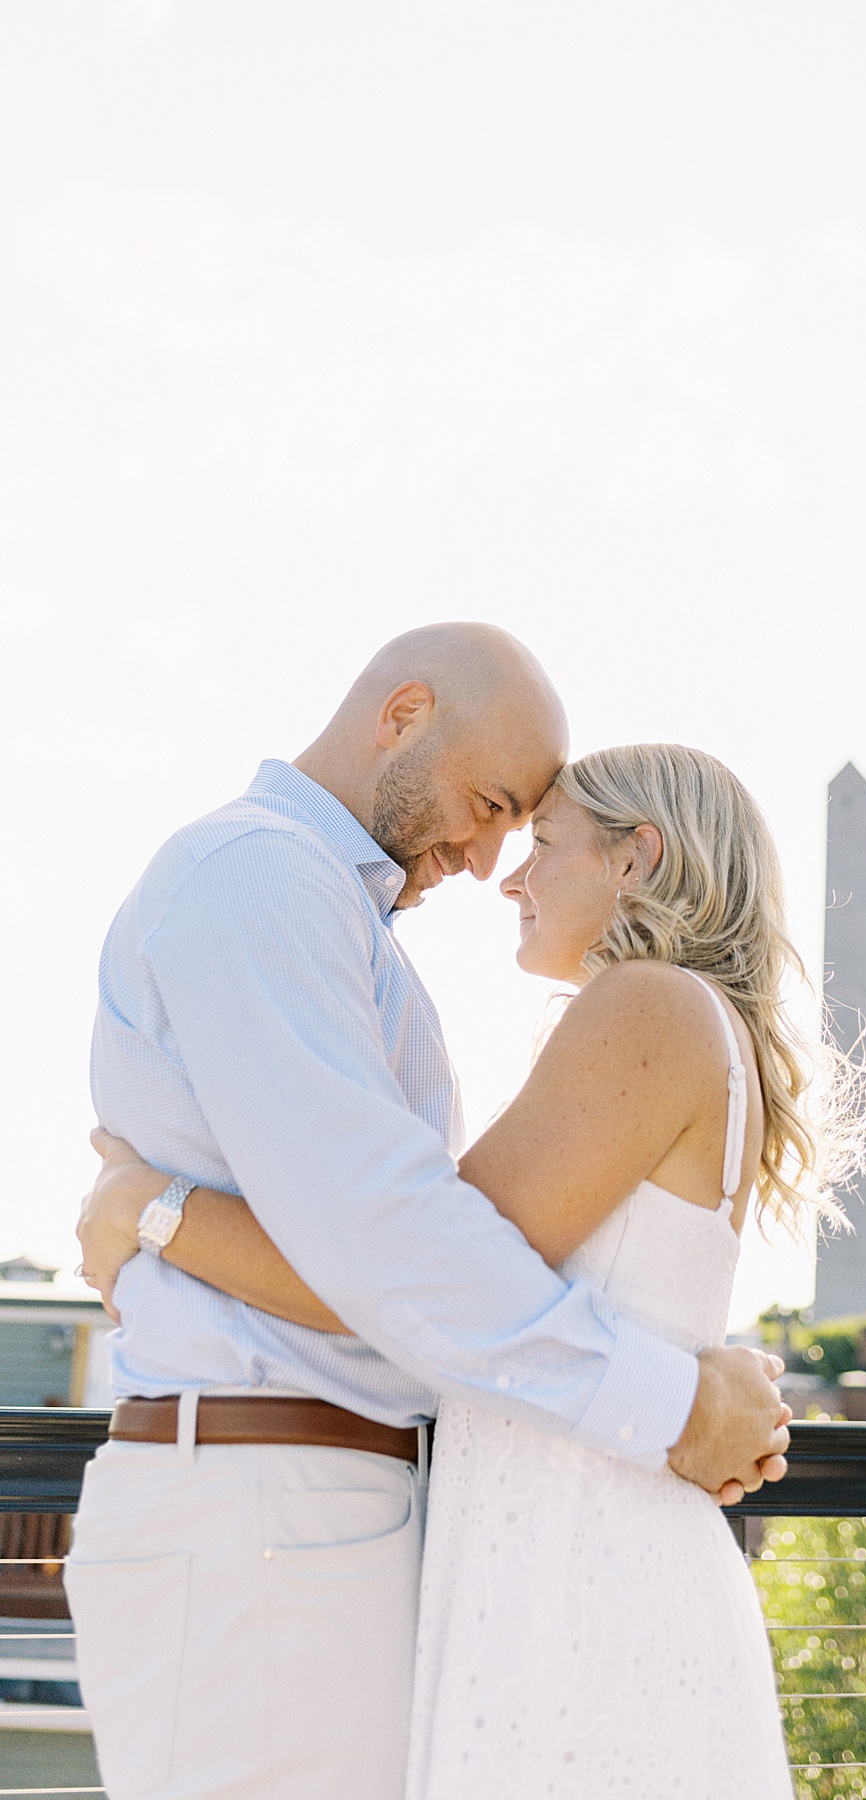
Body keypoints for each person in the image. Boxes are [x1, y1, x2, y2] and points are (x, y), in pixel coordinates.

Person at [69, 624, 792, 1800]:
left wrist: (155, 1210)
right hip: (271, 1512)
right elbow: (396, 1253)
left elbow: (410, 1254)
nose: (494, 854)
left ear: (638, 861)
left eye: (531, 830)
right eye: (495, 801)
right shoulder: (258, 876)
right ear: (402, 715)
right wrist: (673, 1403)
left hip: (374, 1522)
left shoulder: (399, 951)